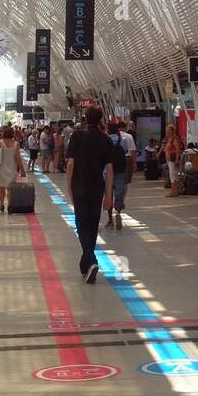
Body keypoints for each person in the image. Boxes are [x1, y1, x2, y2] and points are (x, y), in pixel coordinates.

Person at [66, 107, 116, 282]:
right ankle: (86, 262)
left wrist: (68, 186)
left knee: (82, 225)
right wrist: (109, 194)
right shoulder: (105, 140)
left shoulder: (76, 136)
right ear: (100, 119)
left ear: (85, 118)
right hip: (97, 188)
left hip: (79, 185)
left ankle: (91, 260)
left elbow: (70, 163)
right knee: (93, 225)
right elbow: (109, 168)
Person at [105, 118, 136, 229]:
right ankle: (118, 211)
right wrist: (133, 166)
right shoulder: (125, 139)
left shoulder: (105, 139)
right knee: (119, 192)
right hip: (120, 169)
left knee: (108, 194)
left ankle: (110, 220)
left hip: (108, 170)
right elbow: (129, 153)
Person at [162, 123, 182, 188]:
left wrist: (176, 159)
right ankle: (174, 190)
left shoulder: (174, 138)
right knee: (172, 175)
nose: (167, 132)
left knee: (173, 175)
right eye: (166, 130)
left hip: (173, 159)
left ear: (172, 131)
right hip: (169, 159)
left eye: (168, 130)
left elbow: (178, 149)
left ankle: (175, 191)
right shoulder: (170, 138)